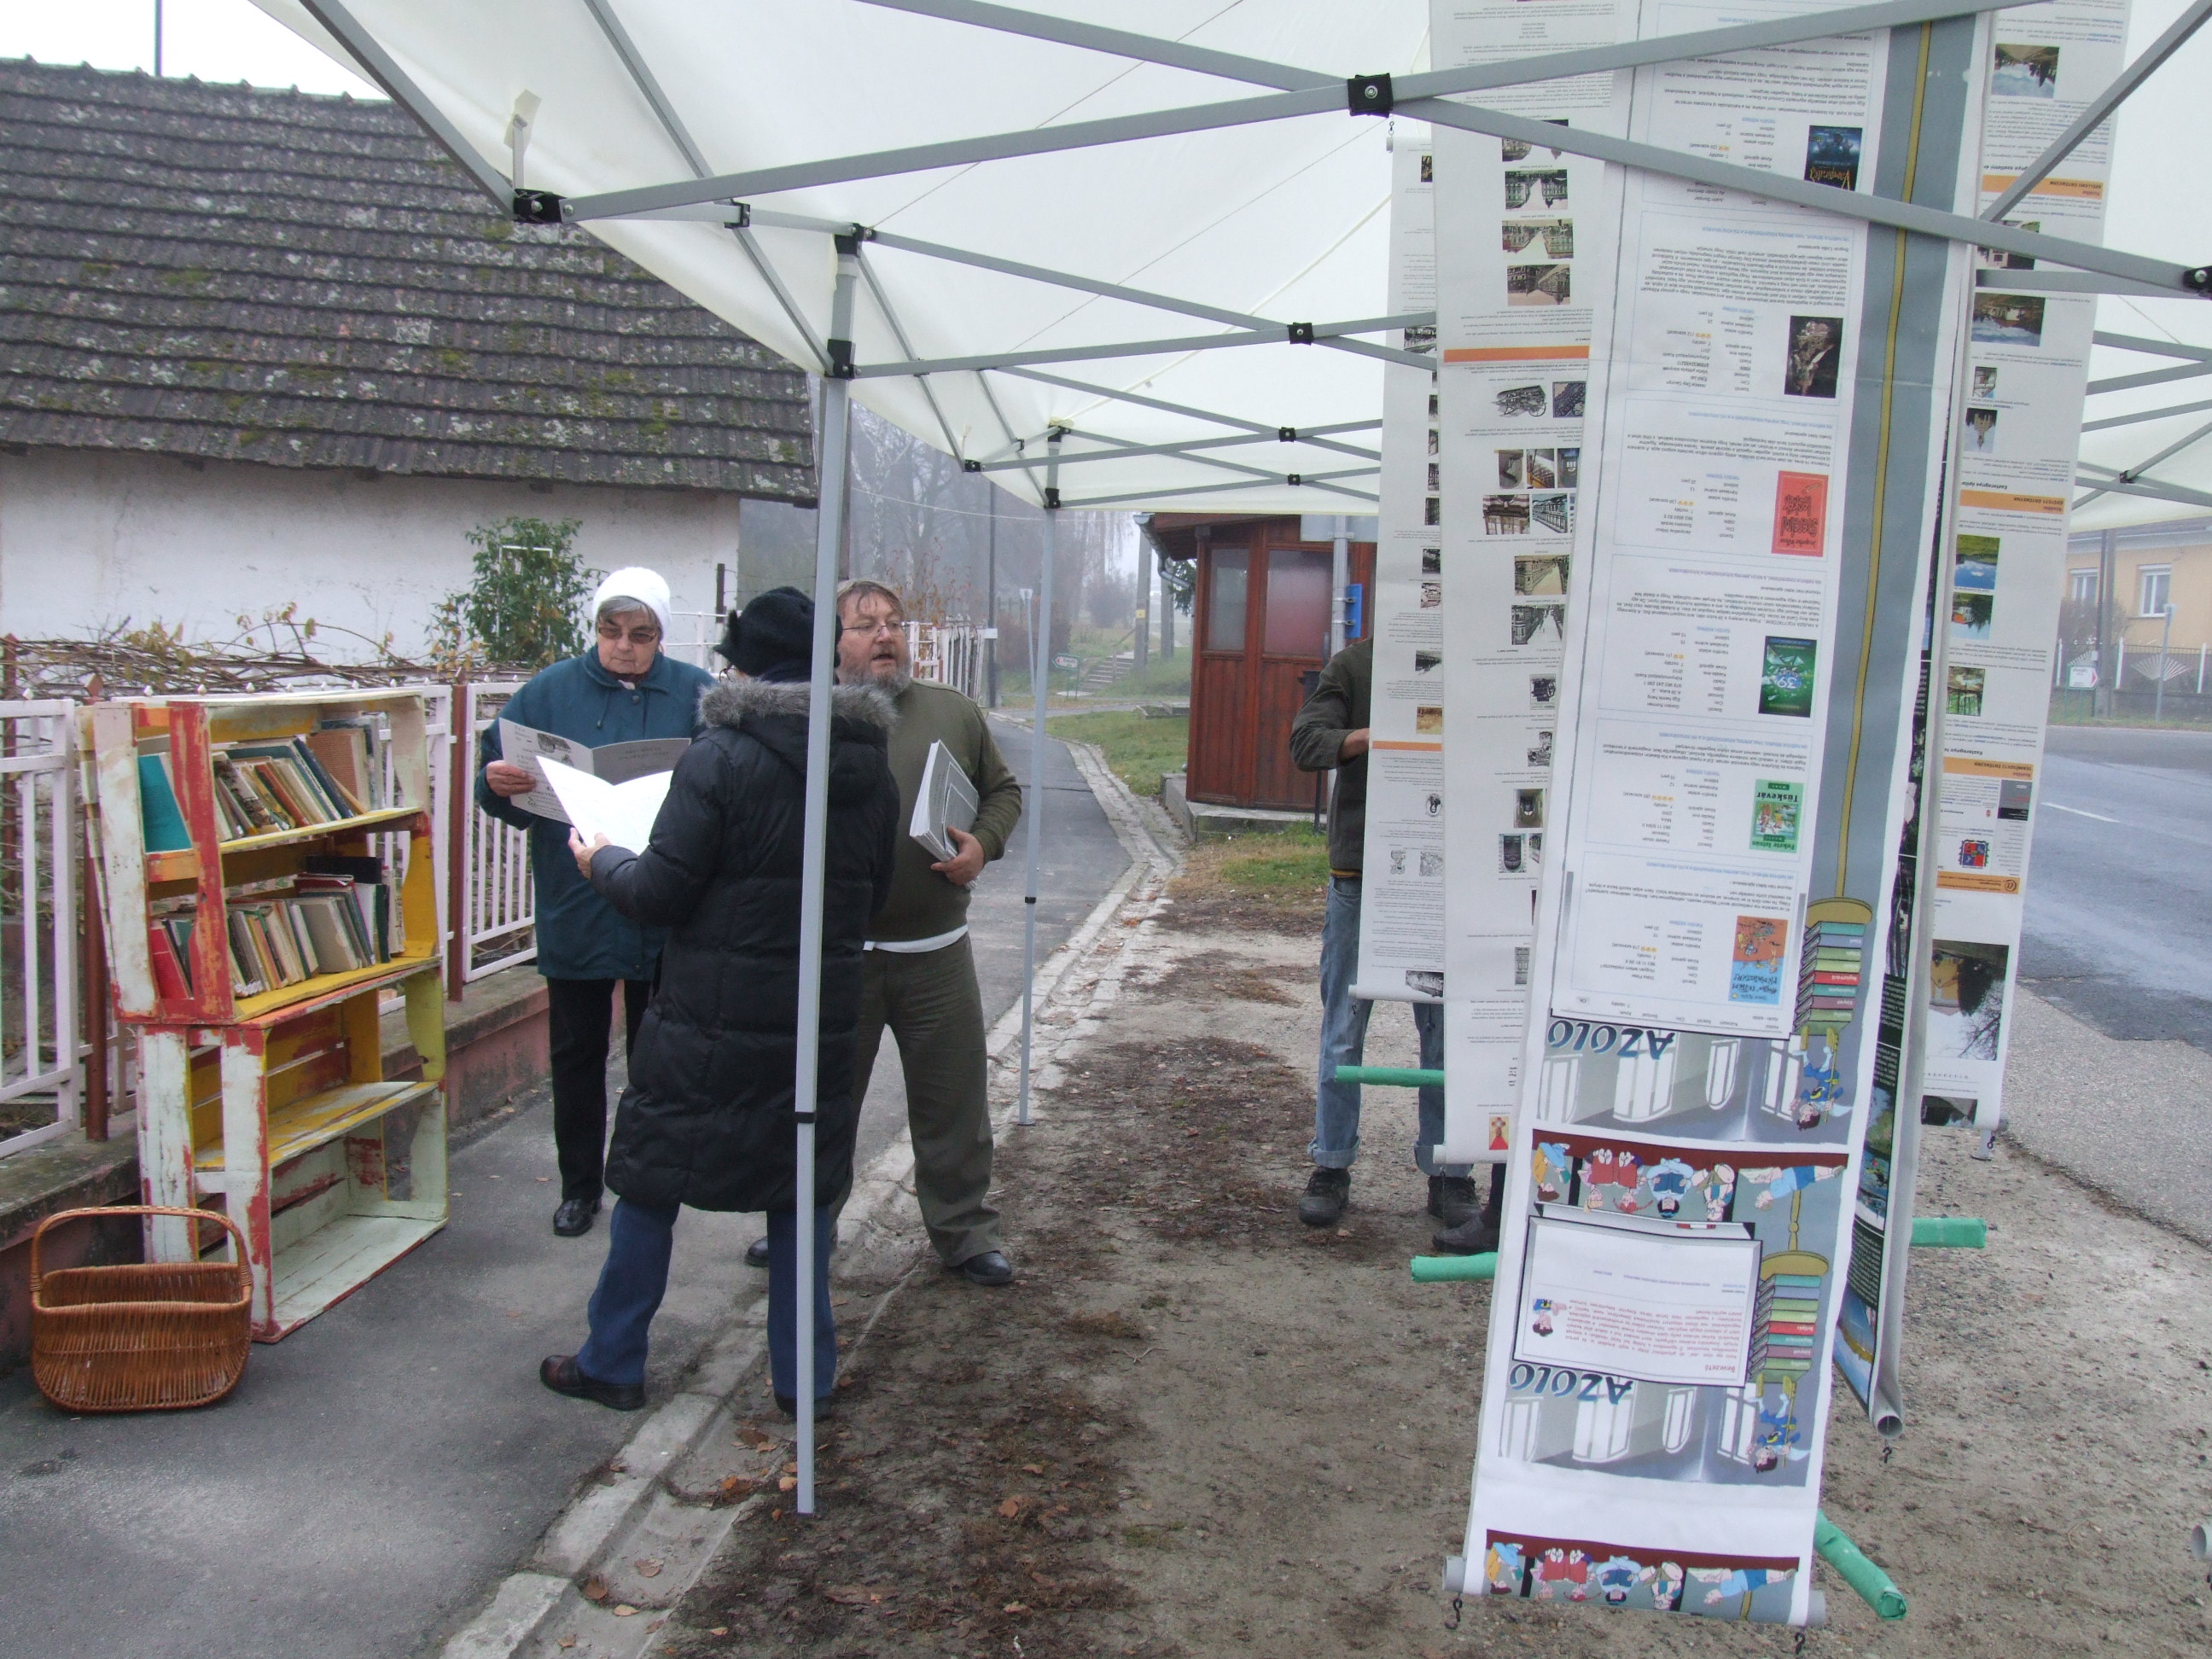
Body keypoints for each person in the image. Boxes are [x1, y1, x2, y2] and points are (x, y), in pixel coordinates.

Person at [539, 587, 901, 1413]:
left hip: (707, 1018)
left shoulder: (720, 756)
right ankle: (805, 1384)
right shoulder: (868, 762)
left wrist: (601, 860)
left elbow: (659, 892)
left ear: (744, 668)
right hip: (815, 1018)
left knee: (650, 1181)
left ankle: (613, 1360)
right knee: (800, 1194)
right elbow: (872, 897)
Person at [745, 577, 1024, 1286]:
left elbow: (1003, 791)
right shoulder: (810, 716)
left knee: (954, 1101)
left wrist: (983, 845)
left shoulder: (951, 711)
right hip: (842, 957)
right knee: (822, 1103)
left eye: (895, 623)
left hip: (937, 952)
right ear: (832, 643)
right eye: (865, 624)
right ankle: (805, 1224)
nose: (885, 635)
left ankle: (965, 1231)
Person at [477, 568, 716, 1237]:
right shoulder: (550, 691)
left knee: (658, 1057)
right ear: (596, 630)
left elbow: (728, 781)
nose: (624, 648)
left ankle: (648, 1181)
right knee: (576, 1053)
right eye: (611, 632)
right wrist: (497, 781)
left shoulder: (697, 694)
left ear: (662, 636)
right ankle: (579, 1187)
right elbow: (496, 779)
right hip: (577, 898)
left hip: (663, 898)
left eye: (641, 635)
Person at [1288, 632, 1502, 1252]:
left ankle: (1449, 1171)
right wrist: (1371, 737)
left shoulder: (1476, 657)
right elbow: (1306, 743)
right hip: (1362, 877)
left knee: (1445, 1031)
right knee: (1343, 1027)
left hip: (1448, 878)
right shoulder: (1357, 664)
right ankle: (1331, 1163)